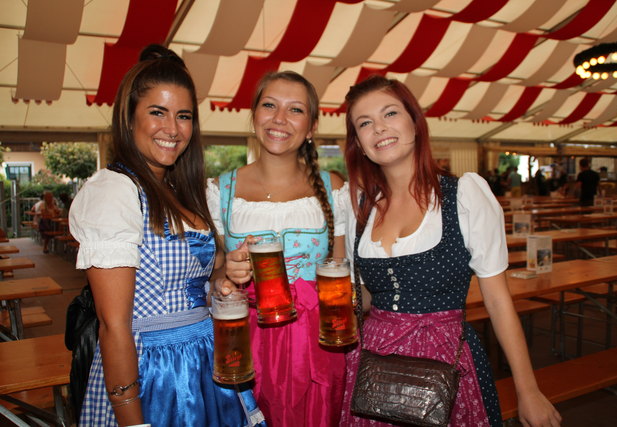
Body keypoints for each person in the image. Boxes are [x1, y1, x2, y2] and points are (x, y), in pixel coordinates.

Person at [336, 76, 561, 426]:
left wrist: (527, 390)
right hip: (373, 367)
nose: (379, 128)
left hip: (447, 360)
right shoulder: (360, 206)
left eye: (390, 113)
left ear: (415, 122)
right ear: (359, 144)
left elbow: (498, 301)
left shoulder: (464, 196)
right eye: (364, 123)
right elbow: (367, 296)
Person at [69, 44, 265, 427]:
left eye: (184, 116)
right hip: (153, 373)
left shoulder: (181, 191)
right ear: (129, 119)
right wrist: (133, 422)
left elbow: (201, 283)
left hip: (207, 364)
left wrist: (227, 276)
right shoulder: (115, 191)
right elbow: (114, 327)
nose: (172, 130)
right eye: (157, 113)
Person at [208, 70, 348, 426]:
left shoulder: (333, 188)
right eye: (269, 105)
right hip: (247, 342)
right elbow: (212, 275)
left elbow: (344, 269)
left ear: (312, 126)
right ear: (254, 115)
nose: (279, 119)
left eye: (295, 110)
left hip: (317, 345)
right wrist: (227, 274)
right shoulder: (220, 190)